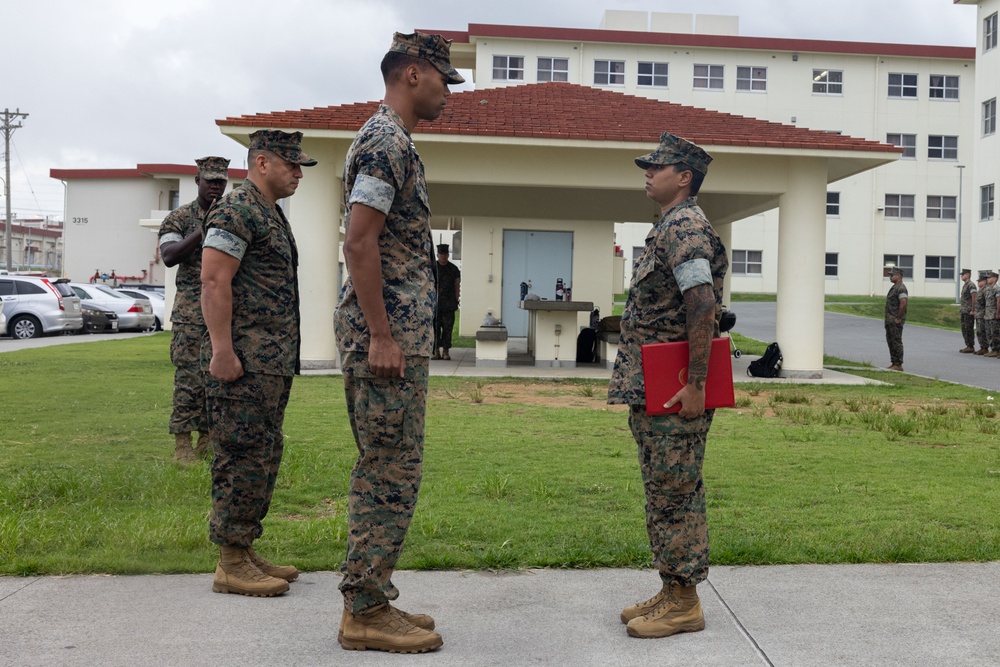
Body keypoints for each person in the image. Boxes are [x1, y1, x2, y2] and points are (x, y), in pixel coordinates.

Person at [333, 30, 463, 654]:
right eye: (443, 78)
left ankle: (375, 596)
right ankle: (362, 609)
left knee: (394, 466)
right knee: (388, 469)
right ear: (413, 73)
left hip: (399, 333)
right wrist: (382, 334)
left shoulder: (394, 140)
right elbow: (360, 242)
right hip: (385, 337)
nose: (447, 91)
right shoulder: (385, 141)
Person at [608, 132, 727, 639]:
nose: (648, 172)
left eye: (658, 167)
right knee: (664, 489)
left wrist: (697, 384)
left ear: (684, 177)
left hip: (678, 388)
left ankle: (685, 601)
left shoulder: (685, 227)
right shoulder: (668, 226)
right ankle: (671, 587)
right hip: (656, 386)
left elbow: (701, 304)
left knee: (675, 491)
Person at [201, 130, 316, 597]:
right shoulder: (236, 208)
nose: (297, 173)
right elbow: (212, 280)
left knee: (263, 454)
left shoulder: (268, 212)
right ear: (262, 162)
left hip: (269, 363)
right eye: (291, 164)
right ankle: (229, 561)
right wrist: (222, 350)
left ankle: (244, 547)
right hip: (243, 361)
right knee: (240, 454)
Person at [158, 156, 229, 463]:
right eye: (210, 180)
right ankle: (182, 443)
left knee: (220, 377)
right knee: (189, 378)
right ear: (197, 180)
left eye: (220, 181)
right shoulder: (179, 218)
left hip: (225, 311)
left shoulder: (232, 215)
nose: (215, 186)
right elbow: (170, 255)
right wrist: (203, 229)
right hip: (190, 313)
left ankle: (208, 440)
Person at [432, 243, 460, 360]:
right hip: (435, 304)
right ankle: (436, 351)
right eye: (441, 254)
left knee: (448, 328)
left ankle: (446, 351)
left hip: (449, 304)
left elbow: (457, 285)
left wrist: (456, 299)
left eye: (445, 254)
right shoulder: (433, 268)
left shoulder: (453, 269)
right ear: (437, 255)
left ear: (448, 255)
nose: (443, 256)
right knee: (435, 328)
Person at [884, 267, 908, 371]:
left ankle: (898, 363)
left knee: (896, 341)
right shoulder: (895, 287)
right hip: (890, 319)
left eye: (891, 275)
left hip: (895, 319)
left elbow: (903, 303)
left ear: (898, 276)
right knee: (891, 341)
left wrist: (898, 317)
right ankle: (894, 362)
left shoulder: (901, 288)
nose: (890, 277)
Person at [959, 268, 977, 353]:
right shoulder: (965, 285)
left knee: (968, 328)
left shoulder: (971, 285)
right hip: (964, 310)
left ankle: (971, 346)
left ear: (968, 275)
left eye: (963, 274)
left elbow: (974, 297)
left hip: (968, 310)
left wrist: (973, 309)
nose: (961, 276)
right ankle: (968, 345)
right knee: (964, 328)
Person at [986, 271, 1000, 358]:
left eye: (989, 277)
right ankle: (993, 349)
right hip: (988, 314)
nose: (988, 279)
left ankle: (997, 350)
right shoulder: (989, 288)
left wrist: (998, 313)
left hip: (994, 314)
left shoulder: (996, 288)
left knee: (995, 333)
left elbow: (998, 301)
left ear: (994, 279)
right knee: (989, 333)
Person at [975, 272, 989, 355]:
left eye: (980, 281)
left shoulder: (985, 290)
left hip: (983, 313)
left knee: (983, 331)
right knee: (979, 331)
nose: (978, 282)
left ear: (984, 281)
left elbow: (987, 303)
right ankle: (982, 347)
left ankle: (985, 347)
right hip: (978, 314)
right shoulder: (980, 290)